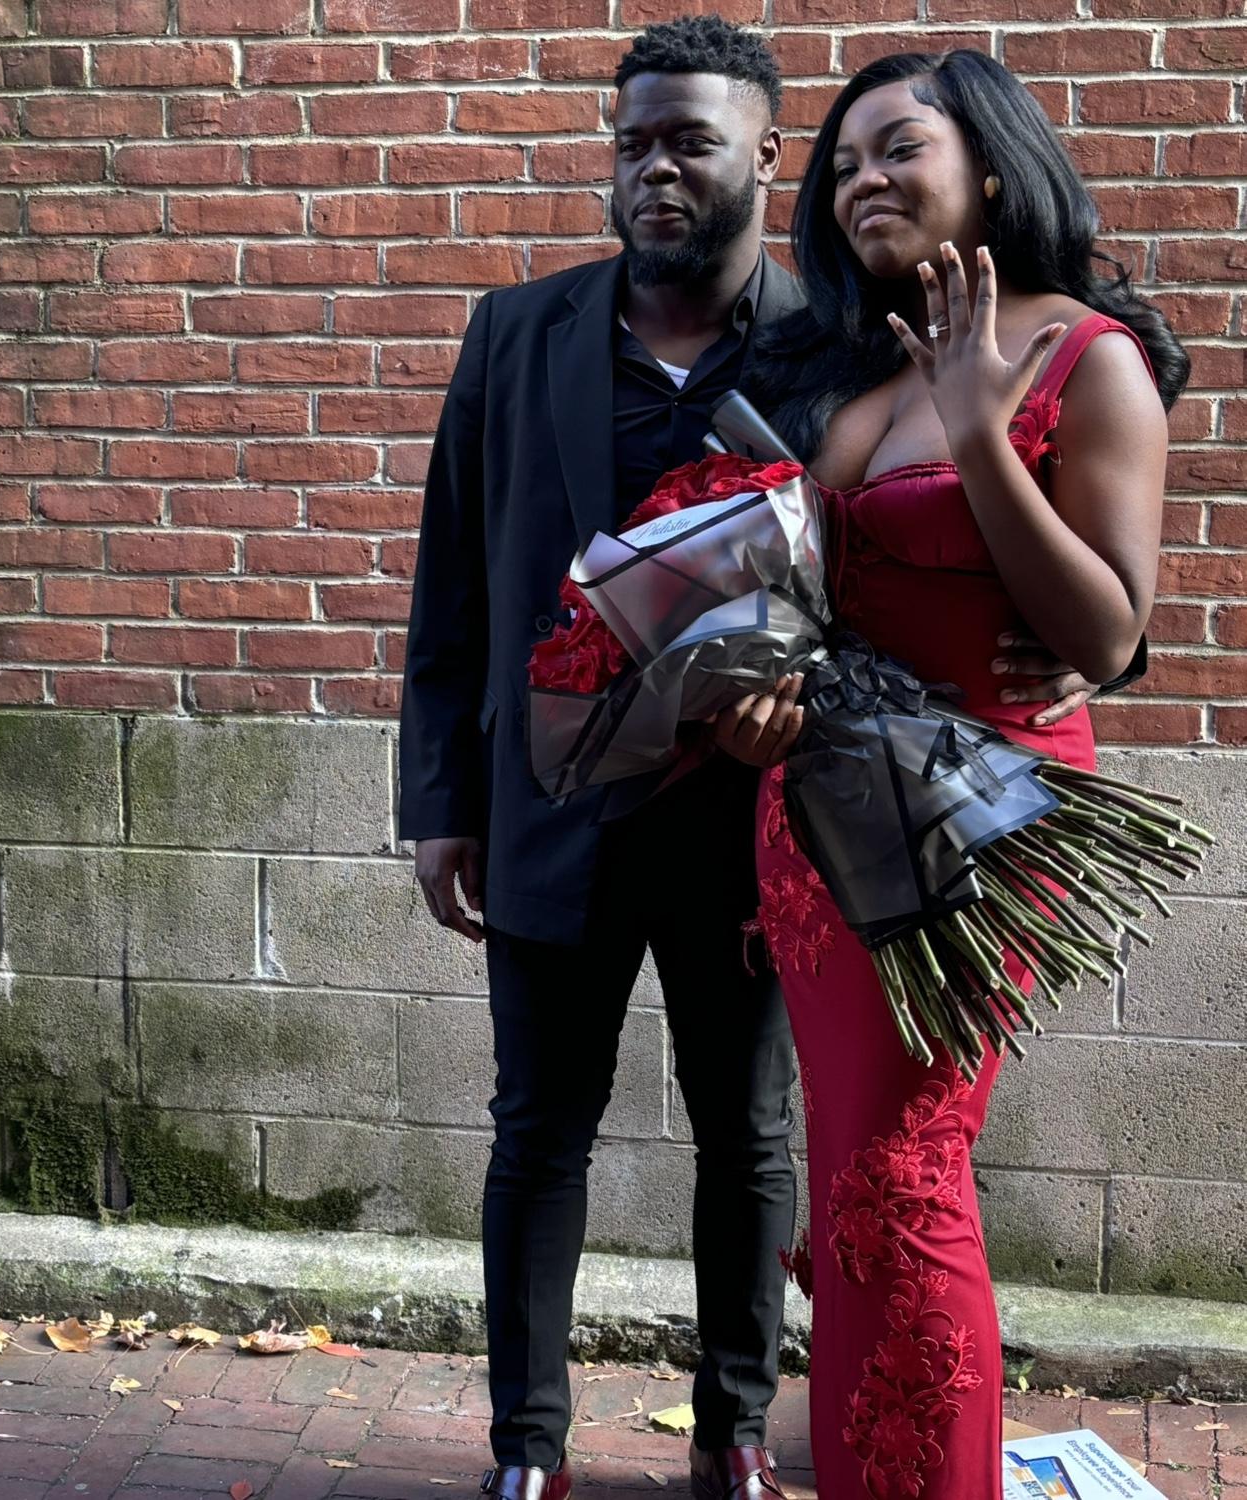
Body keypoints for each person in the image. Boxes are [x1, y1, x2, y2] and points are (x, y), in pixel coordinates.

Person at [400, 18, 1130, 1497]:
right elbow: (452, 590)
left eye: (690, 141)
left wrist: (1074, 655)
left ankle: (735, 1433)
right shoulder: (515, 334)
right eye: (632, 143)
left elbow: (958, 556)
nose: (655, 169)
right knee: (536, 1134)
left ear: (758, 156)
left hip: (759, 813)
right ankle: (527, 1450)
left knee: (754, 1141)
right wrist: (439, 804)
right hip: (552, 811)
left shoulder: (829, 344)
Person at [721, 49, 1187, 1500]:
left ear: (989, 161)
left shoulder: (1087, 359)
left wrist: (983, 430)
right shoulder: (847, 359)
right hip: (816, 816)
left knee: (901, 1178)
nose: (862, 179)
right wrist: (745, 700)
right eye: (844, 162)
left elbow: (1105, 631)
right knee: (854, 1174)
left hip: (973, 825)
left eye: (899, 147)